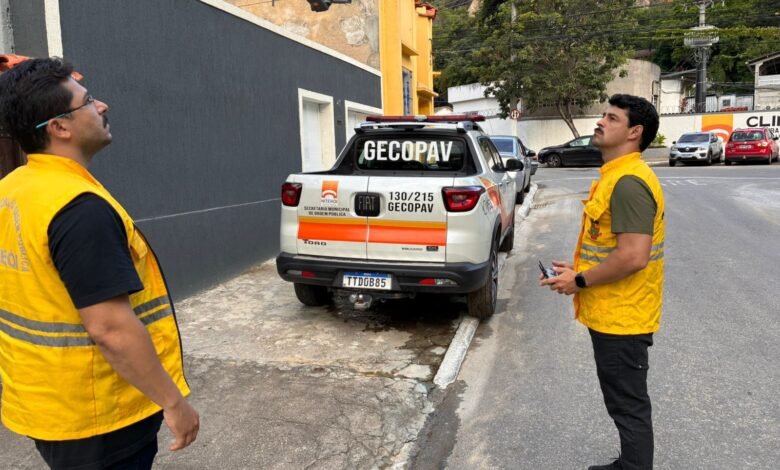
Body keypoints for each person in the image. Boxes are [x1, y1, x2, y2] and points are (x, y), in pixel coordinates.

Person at [0, 57, 199, 469]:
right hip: (98, 415)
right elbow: (110, 328)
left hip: (45, 405)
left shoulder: (13, 190)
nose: (102, 105)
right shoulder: (78, 209)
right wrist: (173, 402)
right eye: (88, 101)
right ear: (60, 127)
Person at [540, 94, 664, 470]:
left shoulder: (628, 182)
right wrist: (577, 266)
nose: (600, 123)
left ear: (634, 132)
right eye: (603, 116)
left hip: (623, 316)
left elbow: (633, 256)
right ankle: (630, 463)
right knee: (623, 401)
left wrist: (579, 280)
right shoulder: (616, 176)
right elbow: (612, 245)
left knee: (628, 405)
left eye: (611, 118)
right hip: (614, 311)